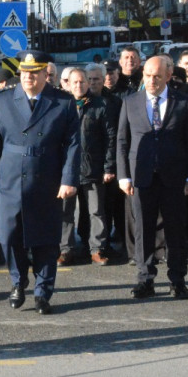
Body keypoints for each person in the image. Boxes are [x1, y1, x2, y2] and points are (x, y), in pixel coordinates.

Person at [0, 51, 81, 313]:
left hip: (46, 177)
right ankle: (18, 280)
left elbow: (73, 145)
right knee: (8, 235)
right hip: (11, 178)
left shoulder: (62, 102)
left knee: (46, 238)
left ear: (44, 74)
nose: (27, 76)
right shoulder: (4, 99)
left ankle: (42, 292)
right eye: (24, 72)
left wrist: (68, 179)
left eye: (34, 72)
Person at [116, 54, 188, 300]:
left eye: (157, 77)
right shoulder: (130, 102)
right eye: (148, 76)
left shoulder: (183, 103)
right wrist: (124, 175)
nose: (152, 81)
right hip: (141, 178)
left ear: (168, 77)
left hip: (174, 178)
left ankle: (177, 280)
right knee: (143, 230)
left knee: (175, 230)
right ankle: (145, 280)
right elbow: (122, 142)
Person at [59, 66, 115, 266]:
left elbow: (110, 138)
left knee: (96, 211)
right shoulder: (61, 104)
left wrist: (109, 167)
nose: (79, 85)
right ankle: (66, 249)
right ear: (68, 84)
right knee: (65, 212)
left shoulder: (100, 105)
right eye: (75, 82)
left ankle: (97, 249)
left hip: (93, 168)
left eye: (82, 81)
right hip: (66, 170)